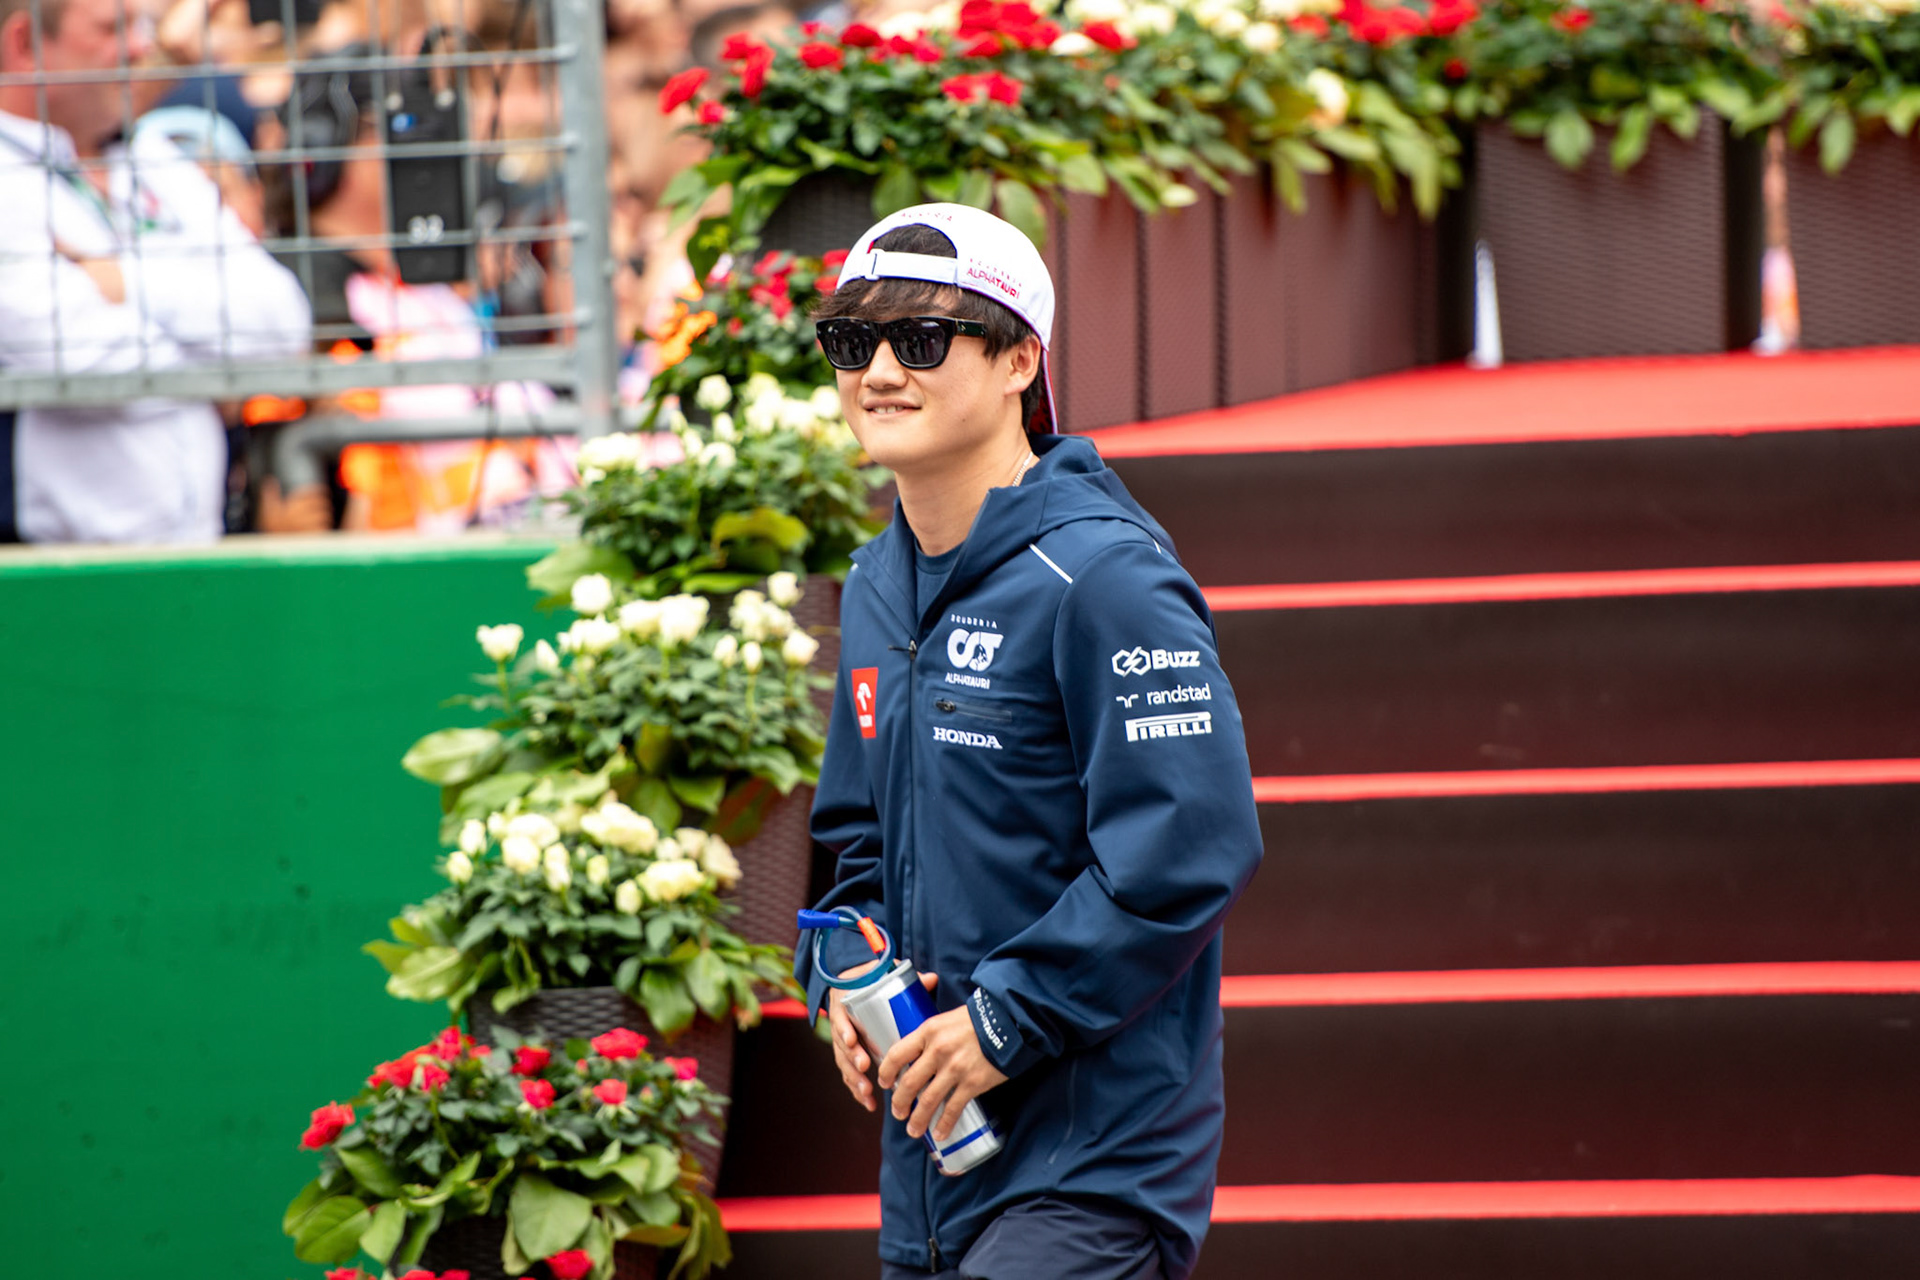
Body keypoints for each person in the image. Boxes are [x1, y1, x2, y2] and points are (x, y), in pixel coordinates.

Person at [797, 203, 1264, 1280]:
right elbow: (855, 840)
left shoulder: (1105, 576)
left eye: (920, 340)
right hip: (935, 1157)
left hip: (1095, 1163)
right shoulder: (875, 583)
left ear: (1020, 361)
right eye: (849, 340)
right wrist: (840, 977)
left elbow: (1189, 851)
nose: (877, 370)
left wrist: (1003, 1019)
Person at [0, 0, 312, 543]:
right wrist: (216, 361)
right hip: (50, 574)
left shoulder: (152, 155)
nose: (143, 48)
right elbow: (78, 363)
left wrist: (123, 280)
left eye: (140, 26)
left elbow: (284, 322)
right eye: (112, 28)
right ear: (25, 44)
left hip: (199, 555)